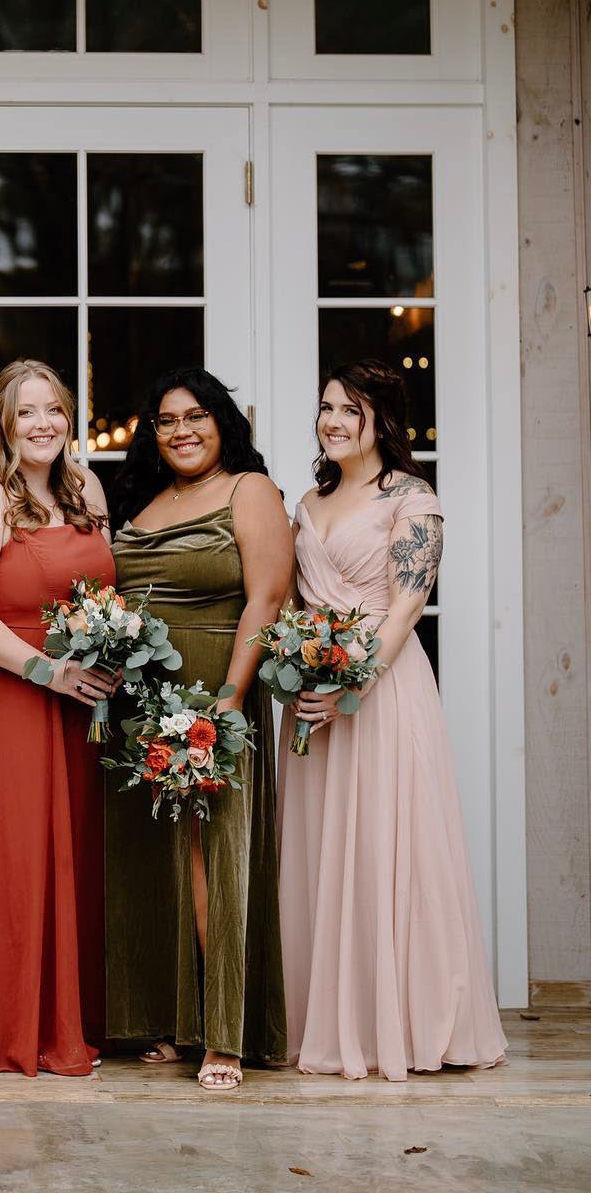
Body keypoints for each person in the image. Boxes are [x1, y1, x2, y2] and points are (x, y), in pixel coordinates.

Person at [278, 359, 507, 1080]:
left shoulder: (413, 498)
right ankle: (329, 1020)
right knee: (323, 853)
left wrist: (353, 687)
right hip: (313, 697)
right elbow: (293, 606)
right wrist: (299, 674)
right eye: (326, 408)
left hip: (383, 690)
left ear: (382, 419)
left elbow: (407, 608)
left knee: (390, 844)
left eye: (350, 409)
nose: (333, 421)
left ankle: (408, 1025)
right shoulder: (308, 505)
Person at [104, 368, 290, 1092]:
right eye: (166, 420)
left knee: (212, 860)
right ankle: (165, 1019)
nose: (181, 431)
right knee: (152, 861)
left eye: (195, 416)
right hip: (142, 701)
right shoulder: (144, 498)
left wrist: (229, 702)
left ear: (223, 421)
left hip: (217, 692)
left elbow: (267, 598)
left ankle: (224, 1033)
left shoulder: (251, 490)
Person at [0, 359, 118, 1077]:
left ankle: (71, 1019)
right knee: (9, 854)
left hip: (84, 701)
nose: (43, 424)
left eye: (55, 411)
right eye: (27, 412)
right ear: (3, 425)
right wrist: (48, 671)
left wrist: (106, 653)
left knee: (74, 851)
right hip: (13, 690)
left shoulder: (85, 489)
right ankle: (9, 1024)